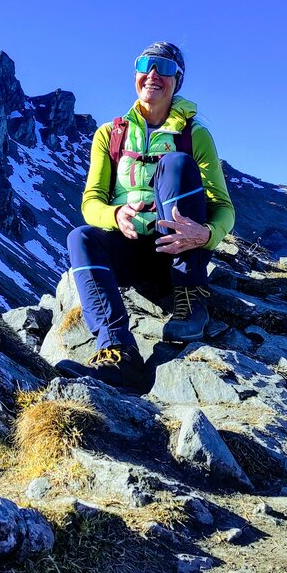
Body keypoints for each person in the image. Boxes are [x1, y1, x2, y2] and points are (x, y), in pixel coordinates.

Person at [55, 42, 235, 391]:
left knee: (176, 164)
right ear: (135, 73)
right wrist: (115, 214)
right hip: (130, 250)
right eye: (145, 65)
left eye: (164, 68)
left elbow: (223, 207)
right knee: (81, 237)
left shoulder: (195, 135)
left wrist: (207, 234)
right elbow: (91, 202)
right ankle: (118, 353)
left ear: (177, 81)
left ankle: (190, 302)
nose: (153, 74)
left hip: (178, 256)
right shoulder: (110, 134)